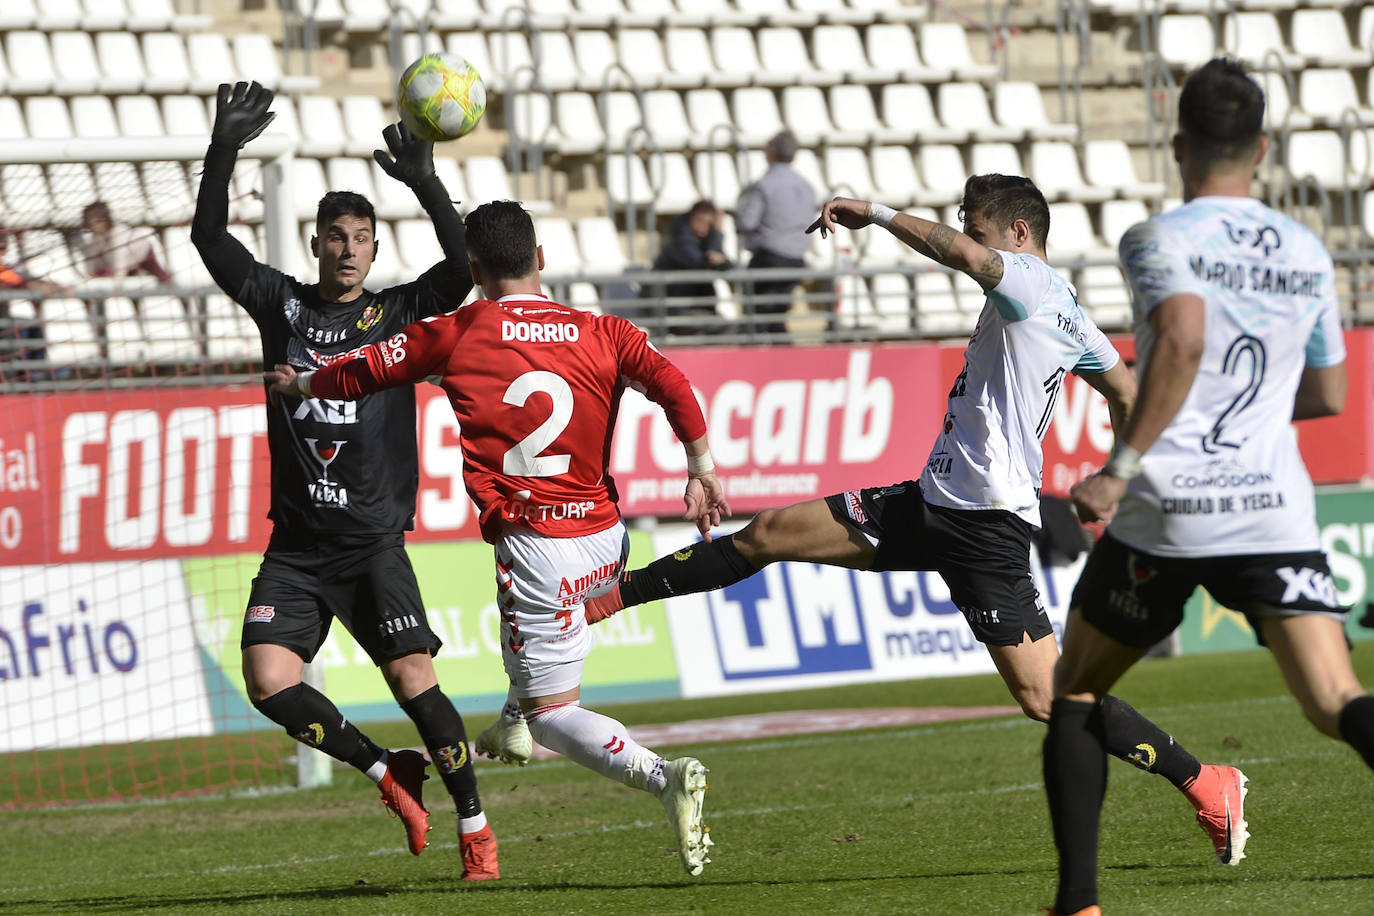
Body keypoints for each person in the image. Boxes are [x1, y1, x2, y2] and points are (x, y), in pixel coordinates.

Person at [569, 176, 1245, 865]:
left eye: (978, 227)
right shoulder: (1066, 307)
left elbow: (967, 259)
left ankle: (1206, 781)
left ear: (1017, 233)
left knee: (1049, 698)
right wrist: (1117, 476)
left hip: (983, 529)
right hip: (930, 505)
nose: (971, 239)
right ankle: (612, 597)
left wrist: (878, 214)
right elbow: (1124, 389)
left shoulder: (1027, 280)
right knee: (768, 531)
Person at [262, 199, 730, 878]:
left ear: (475, 269)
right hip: (605, 537)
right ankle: (515, 711)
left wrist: (302, 380)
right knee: (536, 665)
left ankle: (664, 776)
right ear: (541, 260)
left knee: (552, 717)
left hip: (538, 549)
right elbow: (673, 384)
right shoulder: (606, 329)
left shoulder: (458, 332)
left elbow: (365, 370)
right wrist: (701, 468)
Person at [1042, 58, 1372, 916]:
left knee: (1075, 692)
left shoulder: (1159, 237)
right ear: (1262, 148)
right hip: (1273, 508)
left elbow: (1182, 335)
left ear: (1179, 144)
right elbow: (1332, 394)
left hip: (1170, 512)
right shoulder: (1307, 250)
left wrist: (1119, 469)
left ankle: (1078, 902)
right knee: (1338, 702)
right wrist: (1252, 409)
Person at [190, 81, 498, 880]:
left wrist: (426, 181)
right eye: (337, 236)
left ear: (373, 249)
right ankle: (384, 770)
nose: (350, 248)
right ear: (319, 243)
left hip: (369, 544)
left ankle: (475, 824)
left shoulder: (400, 315)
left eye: (362, 236)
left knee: (412, 679)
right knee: (267, 679)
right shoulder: (279, 304)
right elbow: (210, 239)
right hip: (294, 548)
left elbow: (464, 265)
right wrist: (223, 150)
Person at [735, 131, 815, 336]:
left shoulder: (764, 185)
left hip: (768, 259)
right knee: (777, 315)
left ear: (771, 151)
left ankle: (759, 361)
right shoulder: (805, 186)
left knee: (758, 319)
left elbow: (746, 221)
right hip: (796, 259)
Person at [646, 200, 732, 335]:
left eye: (709, 223)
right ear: (691, 218)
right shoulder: (679, 238)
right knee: (730, 328)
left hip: (695, 308)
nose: (704, 226)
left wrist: (715, 247)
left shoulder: (707, 241)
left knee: (731, 328)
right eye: (700, 220)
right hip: (674, 310)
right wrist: (716, 234)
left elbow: (726, 266)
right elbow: (697, 263)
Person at [80, 201, 173, 283]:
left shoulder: (117, 231)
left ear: (106, 220)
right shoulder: (96, 237)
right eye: (91, 223)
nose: (95, 226)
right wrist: (89, 275)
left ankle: (172, 284)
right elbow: (92, 256)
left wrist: (119, 276)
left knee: (160, 275)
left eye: (98, 222)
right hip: (129, 264)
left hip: (143, 253)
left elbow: (120, 253)